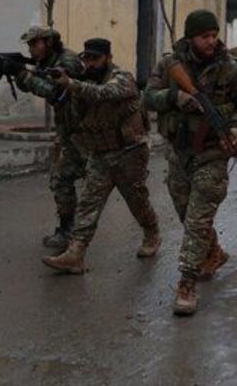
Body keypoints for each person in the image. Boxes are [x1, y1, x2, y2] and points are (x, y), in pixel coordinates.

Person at [144, 10, 237, 316]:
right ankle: (214, 252)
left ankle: (187, 283)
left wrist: (236, 127)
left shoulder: (230, 69)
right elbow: (147, 97)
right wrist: (175, 97)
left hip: (213, 155)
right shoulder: (170, 65)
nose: (212, 41)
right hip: (179, 153)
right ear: (191, 37)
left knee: (196, 222)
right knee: (186, 212)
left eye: (214, 35)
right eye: (205, 36)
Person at [41, 38, 161, 274]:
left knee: (137, 201)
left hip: (129, 153)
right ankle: (75, 254)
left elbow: (104, 93)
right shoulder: (84, 83)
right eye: (86, 58)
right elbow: (70, 112)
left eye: (95, 58)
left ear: (108, 58)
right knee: (88, 204)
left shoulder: (122, 78)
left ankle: (152, 233)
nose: (90, 63)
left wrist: (72, 84)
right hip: (100, 155)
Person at [12, 27, 85, 250]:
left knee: (117, 184)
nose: (31, 49)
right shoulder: (44, 62)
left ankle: (150, 229)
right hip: (68, 131)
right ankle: (67, 230)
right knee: (60, 179)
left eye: (34, 44)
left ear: (49, 42)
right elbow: (30, 86)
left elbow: (52, 91)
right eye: (29, 45)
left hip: (88, 131)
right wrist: (15, 71)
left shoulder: (68, 61)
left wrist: (24, 74)